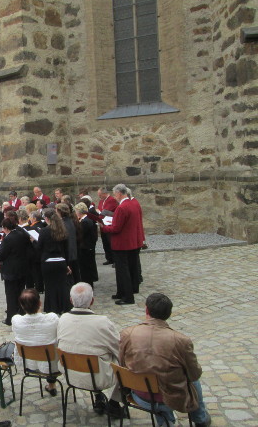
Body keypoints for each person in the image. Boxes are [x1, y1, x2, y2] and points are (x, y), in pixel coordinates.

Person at [119, 293, 211, 427]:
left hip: (140, 393)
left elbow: (122, 364)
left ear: (146, 310)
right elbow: (194, 374)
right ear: (169, 314)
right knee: (193, 380)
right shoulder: (181, 341)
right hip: (171, 398)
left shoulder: (127, 333)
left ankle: (169, 420)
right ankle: (200, 418)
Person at [57, 283, 122, 417]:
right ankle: (114, 403)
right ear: (92, 301)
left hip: (70, 374)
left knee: (87, 352)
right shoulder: (102, 322)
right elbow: (119, 350)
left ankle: (99, 397)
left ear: (71, 300)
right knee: (125, 360)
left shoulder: (62, 319)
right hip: (98, 377)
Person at [101, 183, 143, 305]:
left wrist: (104, 227)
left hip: (121, 243)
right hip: (130, 242)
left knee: (122, 271)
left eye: (115, 194)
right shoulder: (132, 204)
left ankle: (128, 297)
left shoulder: (121, 208)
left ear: (119, 193)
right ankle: (121, 292)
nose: (114, 197)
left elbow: (116, 228)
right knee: (127, 268)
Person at [12, 288, 60, 396]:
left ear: (22, 305)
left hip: (29, 362)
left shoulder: (17, 321)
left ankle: (51, 385)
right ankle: (51, 384)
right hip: (52, 363)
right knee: (51, 345)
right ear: (39, 303)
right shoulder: (52, 318)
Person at [36, 208, 71, 315]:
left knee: (50, 286)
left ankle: (52, 307)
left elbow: (39, 248)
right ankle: (64, 306)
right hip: (61, 261)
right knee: (62, 286)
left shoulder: (44, 231)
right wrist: (67, 264)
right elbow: (66, 249)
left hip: (48, 262)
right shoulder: (62, 230)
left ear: (46, 219)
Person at [0, 217, 27, 325]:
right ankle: (21, 313)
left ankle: (11, 318)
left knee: (11, 295)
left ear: (6, 228)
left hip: (11, 270)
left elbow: (1, 255)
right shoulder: (21, 234)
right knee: (20, 292)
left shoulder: (8, 238)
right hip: (22, 268)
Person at [74, 202, 99, 287]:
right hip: (87, 247)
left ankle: (88, 285)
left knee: (86, 269)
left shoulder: (85, 222)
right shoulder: (85, 220)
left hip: (85, 248)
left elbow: (81, 235)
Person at [97, 186, 118, 265]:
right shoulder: (101, 201)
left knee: (111, 242)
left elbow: (106, 211)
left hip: (109, 224)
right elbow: (100, 210)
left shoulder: (111, 200)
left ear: (104, 193)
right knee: (105, 242)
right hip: (102, 224)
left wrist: (100, 212)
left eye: (100, 195)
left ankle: (115, 260)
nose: (99, 196)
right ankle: (109, 258)